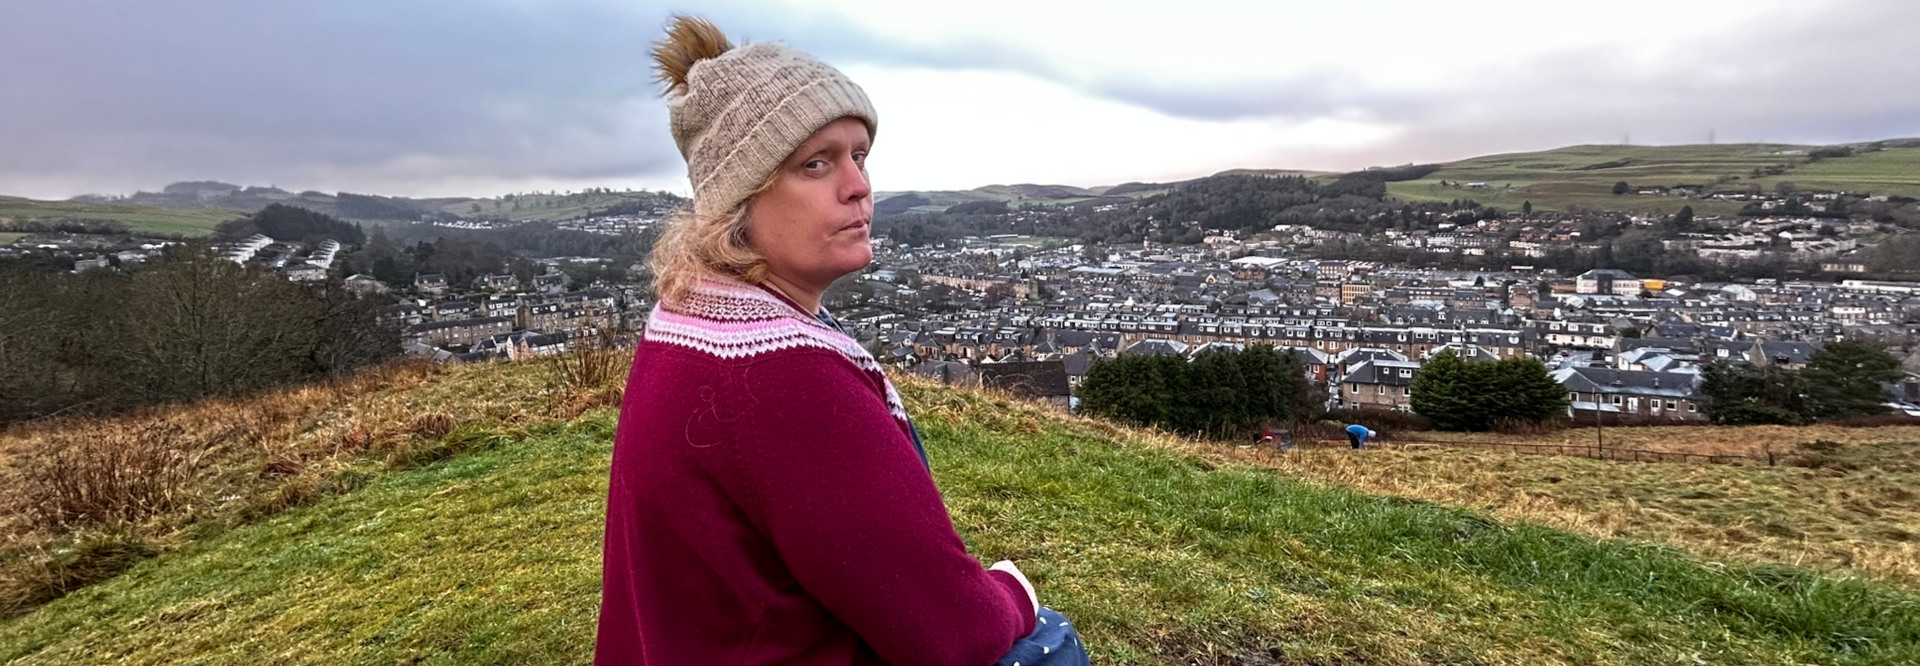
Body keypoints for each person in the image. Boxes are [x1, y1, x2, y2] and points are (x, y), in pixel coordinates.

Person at [595, 16, 1089, 666]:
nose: (858, 185)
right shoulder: (777, 371)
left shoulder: (688, 318)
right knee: (1049, 644)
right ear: (737, 198)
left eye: (860, 155)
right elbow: (953, 634)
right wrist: (1015, 592)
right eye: (816, 163)